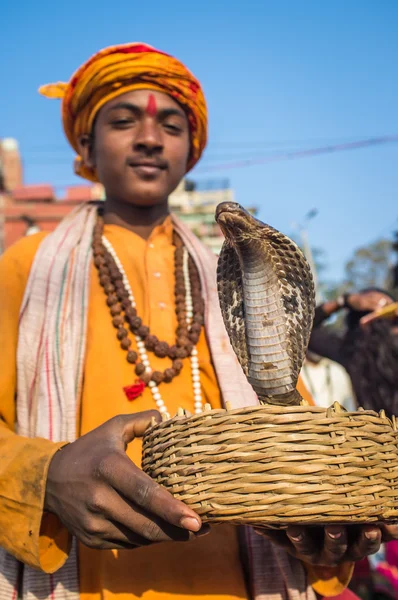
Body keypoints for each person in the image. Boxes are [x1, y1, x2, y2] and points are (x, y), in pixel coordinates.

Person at [0, 42, 392, 600]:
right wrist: (44, 478)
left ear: (192, 150)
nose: (150, 139)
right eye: (122, 120)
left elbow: (292, 432)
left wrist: (326, 524)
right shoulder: (26, 267)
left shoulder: (219, 271)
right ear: (85, 143)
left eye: (172, 127)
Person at [308, 289, 398, 414]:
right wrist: (344, 301)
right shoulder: (348, 351)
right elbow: (303, 333)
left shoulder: (350, 352)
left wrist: (342, 302)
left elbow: (305, 331)